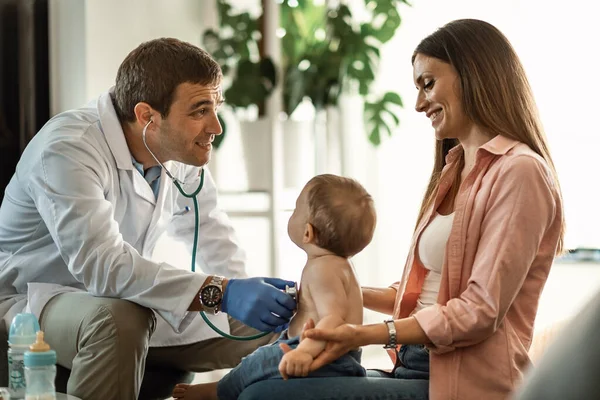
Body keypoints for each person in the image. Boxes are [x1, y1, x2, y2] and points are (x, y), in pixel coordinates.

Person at [237, 18, 566, 400]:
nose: (419, 103)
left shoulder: (521, 171)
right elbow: (429, 294)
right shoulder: (454, 168)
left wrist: (365, 334)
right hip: (414, 366)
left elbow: (479, 311)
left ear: (473, 74)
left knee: (264, 396)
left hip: (464, 384)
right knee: (265, 381)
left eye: (428, 83)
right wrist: (322, 289)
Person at [0, 38, 297, 400]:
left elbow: (215, 239)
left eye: (216, 107)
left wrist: (249, 291)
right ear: (147, 116)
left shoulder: (176, 153)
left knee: (277, 323)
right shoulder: (69, 148)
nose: (216, 127)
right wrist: (221, 292)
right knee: (118, 320)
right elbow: (103, 267)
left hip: (125, 299)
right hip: (31, 302)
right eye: (200, 110)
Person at [173, 174, 377, 399]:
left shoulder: (323, 270)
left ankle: (216, 392)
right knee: (262, 356)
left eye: (297, 209)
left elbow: (333, 319)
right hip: (334, 356)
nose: (293, 212)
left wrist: (304, 352)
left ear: (308, 232)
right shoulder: (339, 265)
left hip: (324, 357)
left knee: (255, 363)